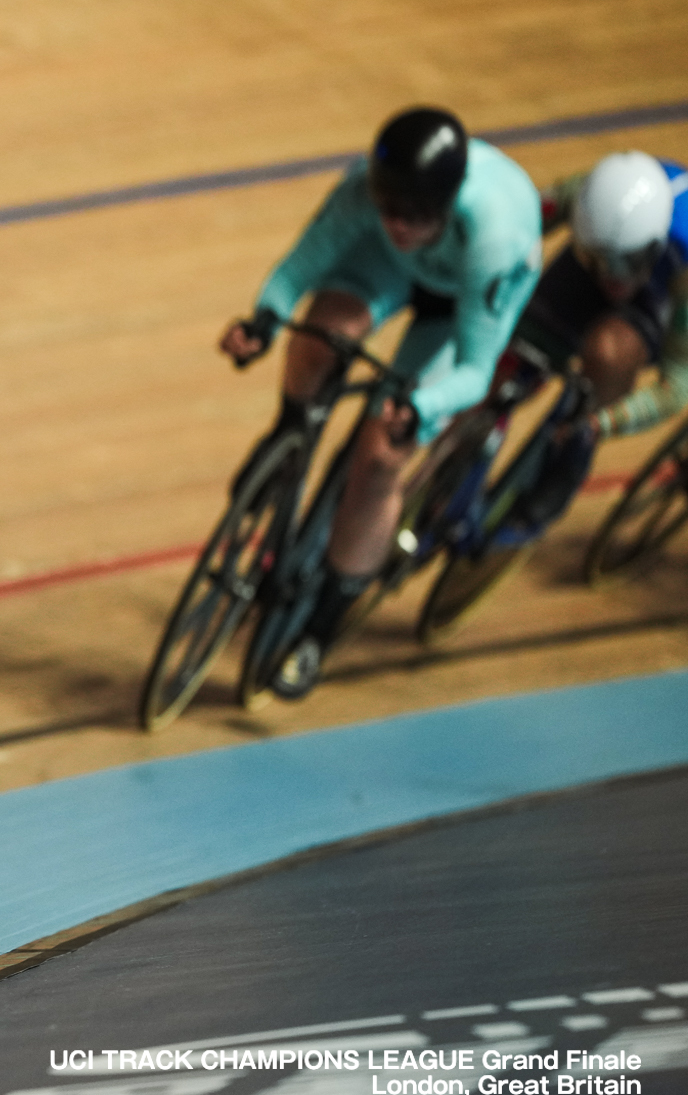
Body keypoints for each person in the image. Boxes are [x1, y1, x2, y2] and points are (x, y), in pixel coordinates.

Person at [219, 106, 542, 696]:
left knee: (379, 457)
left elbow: (475, 369)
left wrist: (422, 407)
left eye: (414, 215)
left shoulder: (495, 235)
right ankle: (286, 437)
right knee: (319, 341)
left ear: (446, 206)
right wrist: (263, 323)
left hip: (461, 307)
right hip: (389, 272)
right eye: (387, 207)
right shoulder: (367, 192)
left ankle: (320, 629)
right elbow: (296, 273)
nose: (396, 221)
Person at [491, 150, 688, 534]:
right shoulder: (588, 192)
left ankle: (572, 456)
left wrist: (602, 423)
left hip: (662, 295)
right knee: (513, 358)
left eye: (625, 265)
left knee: (609, 353)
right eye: (597, 260)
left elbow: (677, 384)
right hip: (591, 261)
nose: (609, 278)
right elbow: (512, 221)